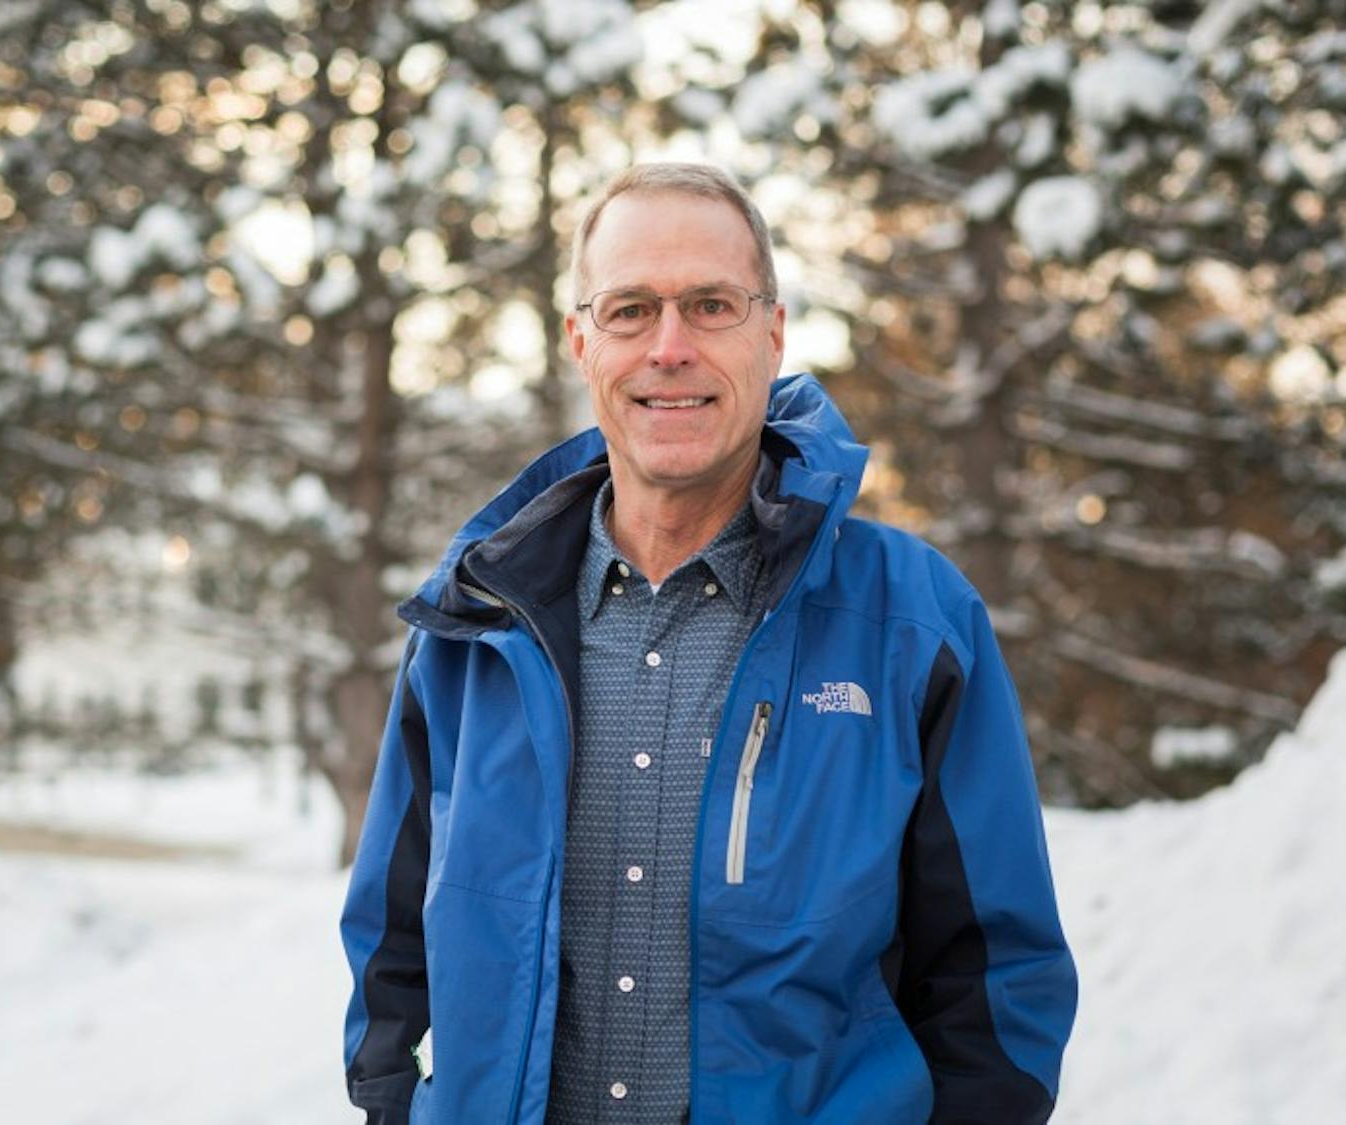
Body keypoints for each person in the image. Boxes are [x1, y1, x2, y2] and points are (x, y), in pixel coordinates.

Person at [341, 163, 1076, 1124]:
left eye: (711, 305)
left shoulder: (914, 620)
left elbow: (997, 976)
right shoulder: (475, 624)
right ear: (580, 341)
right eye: (631, 309)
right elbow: (394, 946)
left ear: (772, 333)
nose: (671, 347)